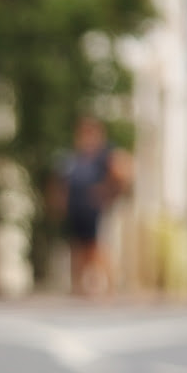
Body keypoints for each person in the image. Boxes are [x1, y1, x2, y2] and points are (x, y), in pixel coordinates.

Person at [53, 114, 133, 297]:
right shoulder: (74, 156)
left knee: (97, 248)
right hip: (77, 209)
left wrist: (107, 194)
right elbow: (62, 183)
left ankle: (110, 288)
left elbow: (123, 173)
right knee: (78, 248)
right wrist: (60, 202)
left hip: (94, 209)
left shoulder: (105, 154)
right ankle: (78, 288)